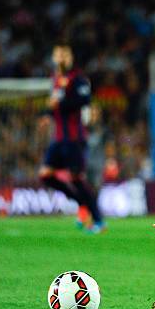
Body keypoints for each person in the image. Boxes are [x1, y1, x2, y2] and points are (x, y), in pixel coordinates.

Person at [38, 44, 106, 233]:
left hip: (74, 138)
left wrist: (60, 102)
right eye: (58, 54)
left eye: (65, 55)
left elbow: (84, 100)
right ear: (53, 57)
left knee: (77, 179)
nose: (61, 58)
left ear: (71, 58)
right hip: (58, 138)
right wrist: (46, 115)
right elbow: (54, 106)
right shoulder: (54, 79)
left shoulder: (78, 79)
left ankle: (99, 221)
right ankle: (82, 204)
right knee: (45, 175)